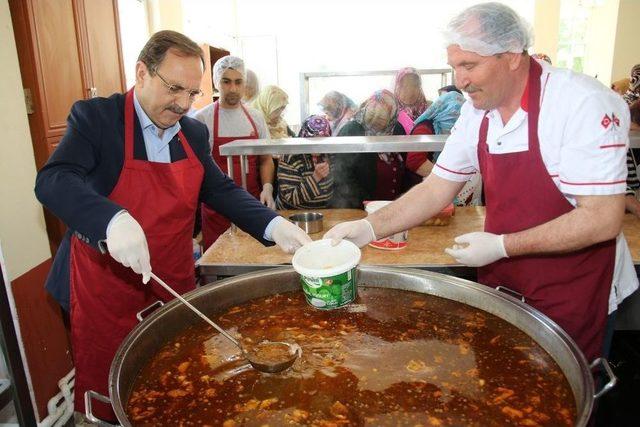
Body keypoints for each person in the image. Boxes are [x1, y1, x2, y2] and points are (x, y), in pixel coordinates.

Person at [324, 3, 638, 363]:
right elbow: (436, 187)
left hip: (574, 291)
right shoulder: (477, 110)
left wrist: (503, 246)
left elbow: (601, 218)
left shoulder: (581, 103)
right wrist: (369, 227)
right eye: (455, 66)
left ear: (512, 55)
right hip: (506, 284)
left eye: (469, 66)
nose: (460, 80)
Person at [34, 31, 311, 421]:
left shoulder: (194, 133)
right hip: (105, 291)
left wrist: (273, 225)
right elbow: (53, 179)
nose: (183, 103)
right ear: (142, 73)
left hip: (171, 284)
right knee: (116, 394)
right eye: (174, 89)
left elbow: (220, 189)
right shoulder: (98, 119)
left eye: (192, 93)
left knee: (177, 386)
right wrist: (110, 219)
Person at [193, 56, 277, 249]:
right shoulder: (202, 119)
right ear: (216, 82)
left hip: (252, 203)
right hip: (216, 209)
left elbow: (265, 159)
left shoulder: (255, 117)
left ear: (244, 83)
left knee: (253, 259)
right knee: (220, 258)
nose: (232, 88)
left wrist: (267, 188)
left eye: (238, 82)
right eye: (226, 81)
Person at [338, 89, 406, 201]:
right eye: (371, 121)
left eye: (380, 122)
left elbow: (404, 166)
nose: (374, 128)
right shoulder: (351, 131)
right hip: (361, 206)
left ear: (391, 118)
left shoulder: (397, 130)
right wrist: (363, 202)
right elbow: (342, 176)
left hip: (393, 204)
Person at [276, 115, 333, 209]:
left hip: (324, 212)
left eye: (322, 140)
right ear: (303, 137)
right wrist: (316, 178)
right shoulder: (290, 157)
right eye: (312, 140)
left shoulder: (329, 154)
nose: (317, 146)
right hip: (292, 214)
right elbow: (291, 198)